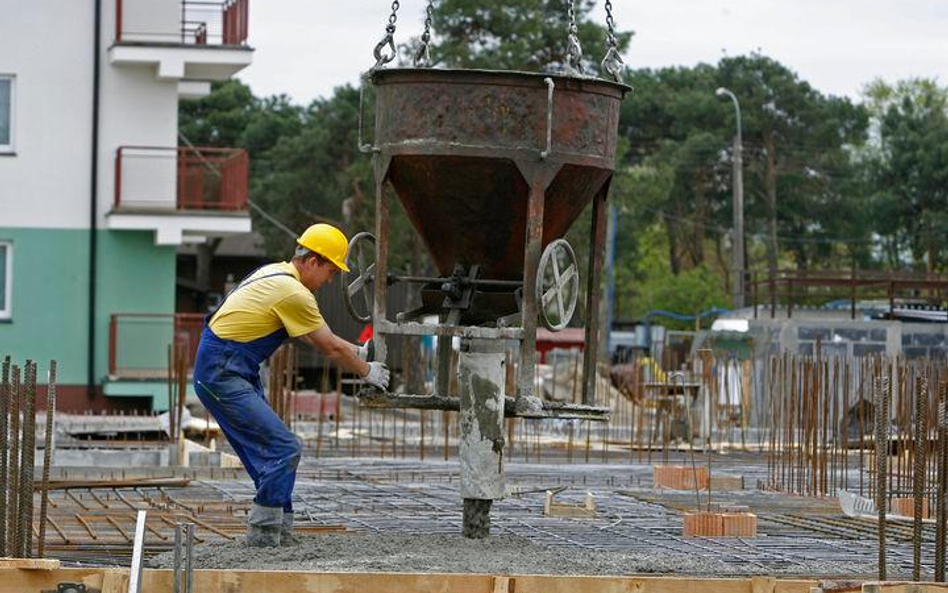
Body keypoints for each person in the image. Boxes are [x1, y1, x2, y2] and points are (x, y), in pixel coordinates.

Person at [193, 223, 389, 546]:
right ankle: (264, 537)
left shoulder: (276, 274)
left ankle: (279, 532)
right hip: (222, 374)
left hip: (227, 369)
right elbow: (328, 347)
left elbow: (317, 337)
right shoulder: (293, 292)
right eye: (330, 272)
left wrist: (356, 351)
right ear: (313, 261)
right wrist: (368, 371)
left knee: (269, 458)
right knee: (285, 448)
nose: (329, 281)